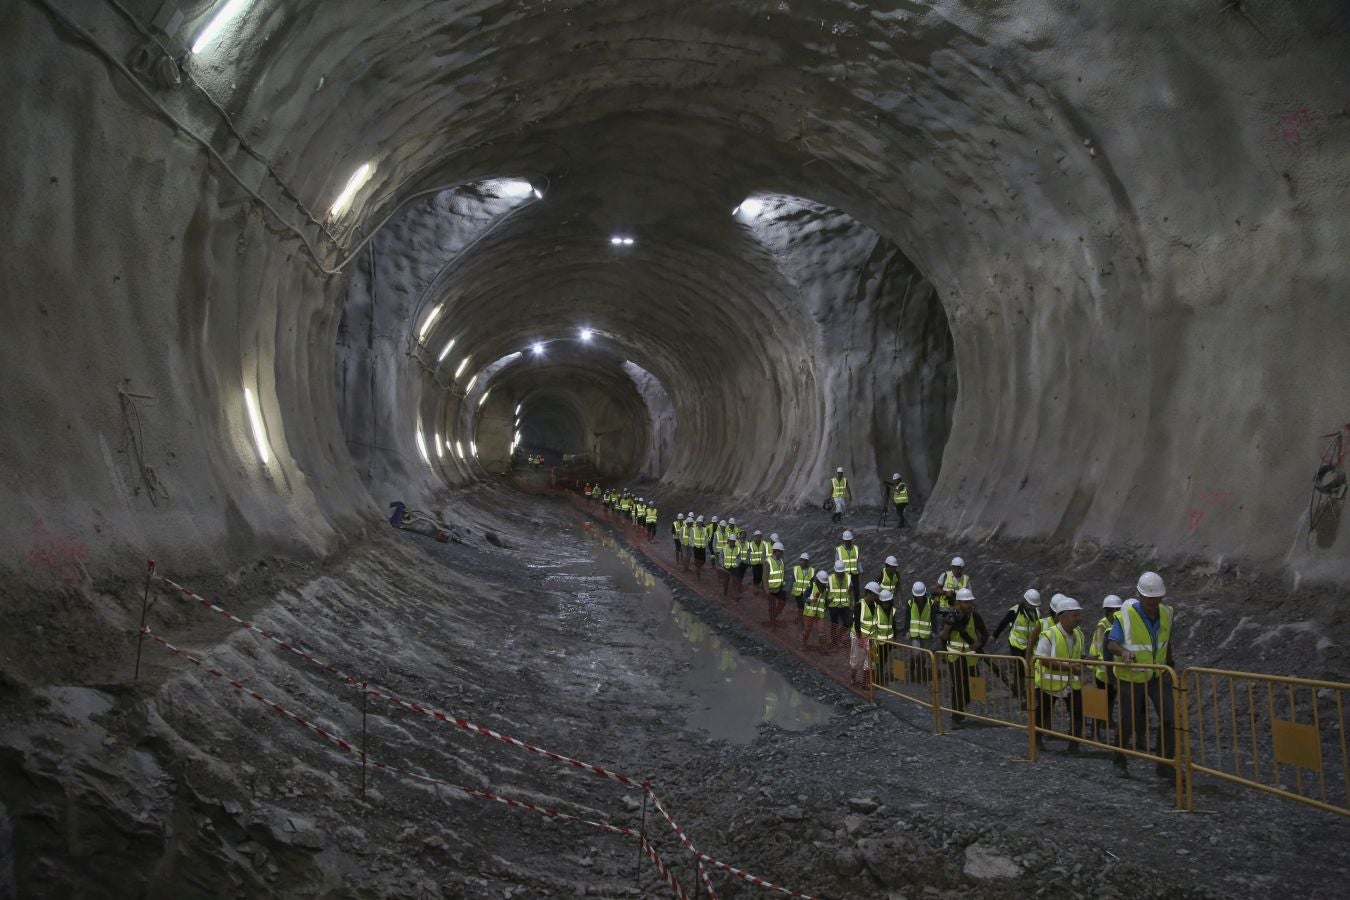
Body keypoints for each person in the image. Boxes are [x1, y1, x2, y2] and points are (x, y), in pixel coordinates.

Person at [1106, 572, 1177, 778]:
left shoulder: (1167, 613)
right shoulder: (1125, 615)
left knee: (1170, 719)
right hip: (1132, 677)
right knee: (1128, 721)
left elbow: (1167, 641)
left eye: (1158, 597)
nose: (1154, 601)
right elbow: (1112, 644)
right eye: (1149, 598)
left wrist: (1170, 665)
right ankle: (1119, 758)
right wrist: (1123, 652)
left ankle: (1164, 764)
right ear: (1140, 595)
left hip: (1158, 675)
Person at [1033, 596, 1087, 753]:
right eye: (1074, 615)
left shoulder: (1080, 635)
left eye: (1078, 614)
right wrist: (1069, 668)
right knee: (1042, 714)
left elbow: (1081, 657)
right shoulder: (1049, 635)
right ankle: (1036, 741)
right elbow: (1043, 660)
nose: (1078, 618)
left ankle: (1074, 746)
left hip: (1072, 684)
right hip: (1049, 684)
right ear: (1062, 617)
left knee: (1077, 714)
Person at [938, 588, 988, 727]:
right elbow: (942, 637)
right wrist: (948, 627)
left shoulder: (975, 617)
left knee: (971, 686)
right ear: (959, 603)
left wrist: (979, 642)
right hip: (955, 657)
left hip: (971, 658)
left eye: (971, 602)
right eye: (966, 602)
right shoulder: (950, 617)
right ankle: (957, 716)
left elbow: (984, 633)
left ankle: (962, 707)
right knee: (958, 685)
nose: (969, 604)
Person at [989, 588, 1042, 706]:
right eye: (1031, 604)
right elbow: (1003, 622)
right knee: (1020, 666)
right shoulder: (1015, 611)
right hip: (1016, 643)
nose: (1033, 607)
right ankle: (1020, 693)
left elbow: (1039, 629)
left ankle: (1032, 692)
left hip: (1029, 645)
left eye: (1034, 605)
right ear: (1025, 602)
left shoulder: (1037, 613)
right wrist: (995, 635)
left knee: (1031, 666)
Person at [1086, 594, 1125, 742]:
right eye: (1114, 610)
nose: (1117, 613)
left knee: (1110, 699)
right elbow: (1100, 650)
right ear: (1107, 611)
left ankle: (1107, 721)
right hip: (1102, 670)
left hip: (1112, 670)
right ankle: (1095, 732)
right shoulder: (1103, 626)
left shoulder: (1117, 624)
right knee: (1098, 702)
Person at [901, 580, 935, 683]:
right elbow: (907, 618)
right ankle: (912, 671)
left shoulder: (930, 603)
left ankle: (920, 674)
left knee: (924, 656)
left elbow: (934, 618)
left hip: (925, 634)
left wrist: (934, 631)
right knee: (916, 654)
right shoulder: (910, 603)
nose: (919, 597)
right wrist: (906, 631)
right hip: (914, 634)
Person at [851, 582, 881, 686]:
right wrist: (859, 638)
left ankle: (865, 683)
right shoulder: (860, 605)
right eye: (875, 595)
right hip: (859, 637)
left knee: (869, 662)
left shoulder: (876, 605)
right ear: (869, 593)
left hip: (871, 638)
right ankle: (853, 678)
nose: (876, 597)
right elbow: (857, 623)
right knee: (857, 661)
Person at [826, 559, 853, 650]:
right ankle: (834, 642)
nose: (839, 574)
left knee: (848, 623)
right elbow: (825, 591)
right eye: (838, 572)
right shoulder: (830, 578)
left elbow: (851, 590)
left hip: (845, 605)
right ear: (835, 570)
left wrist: (852, 602)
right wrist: (826, 601)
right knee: (834, 624)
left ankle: (838, 636)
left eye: (841, 572)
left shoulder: (848, 577)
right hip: (833, 605)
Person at [872, 589, 897, 685]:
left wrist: (895, 638)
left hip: (888, 642)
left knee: (883, 662)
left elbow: (893, 625)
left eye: (888, 602)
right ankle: (875, 680)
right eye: (885, 602)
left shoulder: (892, 610)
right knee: (876, 662)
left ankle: (879, 679)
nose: (887, 604)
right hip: (877, 642)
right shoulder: (876, 610)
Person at [802, 570, 829, 651]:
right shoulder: (811, 587)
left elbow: (826, 601)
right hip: (809, 613)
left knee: (822, 630)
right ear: (817, 580)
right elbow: (804, 598)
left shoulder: (826, 590)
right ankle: (803, 644)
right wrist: (811, 600)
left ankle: (822, 648)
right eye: (822, 582)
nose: (823, 584)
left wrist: (826, 608)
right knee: (807, 629)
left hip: (820, 614)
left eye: (824, 583)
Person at [764, 542, 788, 628]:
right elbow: (765, 577)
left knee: (782, 603)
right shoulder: (768, 561)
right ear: (776, 551)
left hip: (780, 588)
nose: (782, 553)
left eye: (782, 552)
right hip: (771, 589)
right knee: (772, 606)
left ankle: (773, 618)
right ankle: (772, 624)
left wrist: (783, 585)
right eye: (780, 551)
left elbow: (782, 574)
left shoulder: (781, 561)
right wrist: (766, 590)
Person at [835, 531, 862, 601]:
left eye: (849, 540)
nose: (848, 542)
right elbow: (836, 563)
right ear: (844, 540)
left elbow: (858, 561)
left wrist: (861, 570)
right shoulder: (839, 550)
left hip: (855, 575)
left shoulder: (855, 548)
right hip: (844, 575)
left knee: (856, 593)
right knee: (846, 592)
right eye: (846, 541)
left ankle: (856, 607)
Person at [718, 531, 744, 598]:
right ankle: (725, 593)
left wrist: (737, 564)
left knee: (734, 582)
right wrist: (722, 564)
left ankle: (734, 595)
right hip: (726, 567)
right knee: (726, 582)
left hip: (734, 568)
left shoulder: (737, 548)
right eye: (731, 541)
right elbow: (721, 557)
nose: (732, 542)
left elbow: (739, 557)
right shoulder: (724, 548)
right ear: (729, 541)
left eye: (733, 541)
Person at [789, 553, 814, 622]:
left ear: (807, 562)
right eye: (801, 560)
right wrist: (788, 590)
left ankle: (805, 620)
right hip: (798, 594)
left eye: (804, 561)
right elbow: (791, 580)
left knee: (807, 608)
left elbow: (812, 584)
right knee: (800, 608)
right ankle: (801, 621)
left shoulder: (812, 571)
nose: (802, 562)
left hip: (807, 594)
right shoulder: (796, 569)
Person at [691, 516, 708, 580]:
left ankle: (698, 568)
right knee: (697, 561)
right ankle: (698, 574)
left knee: (703, 560)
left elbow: (706, 538)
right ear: (697, 523)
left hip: (702, 547)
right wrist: (693, 545)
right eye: (698, 523)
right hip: (696, 548)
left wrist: (705, 544)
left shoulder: (704, 529)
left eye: (701, 523)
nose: (699, 524)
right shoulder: (694, 530)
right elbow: (691, 538)